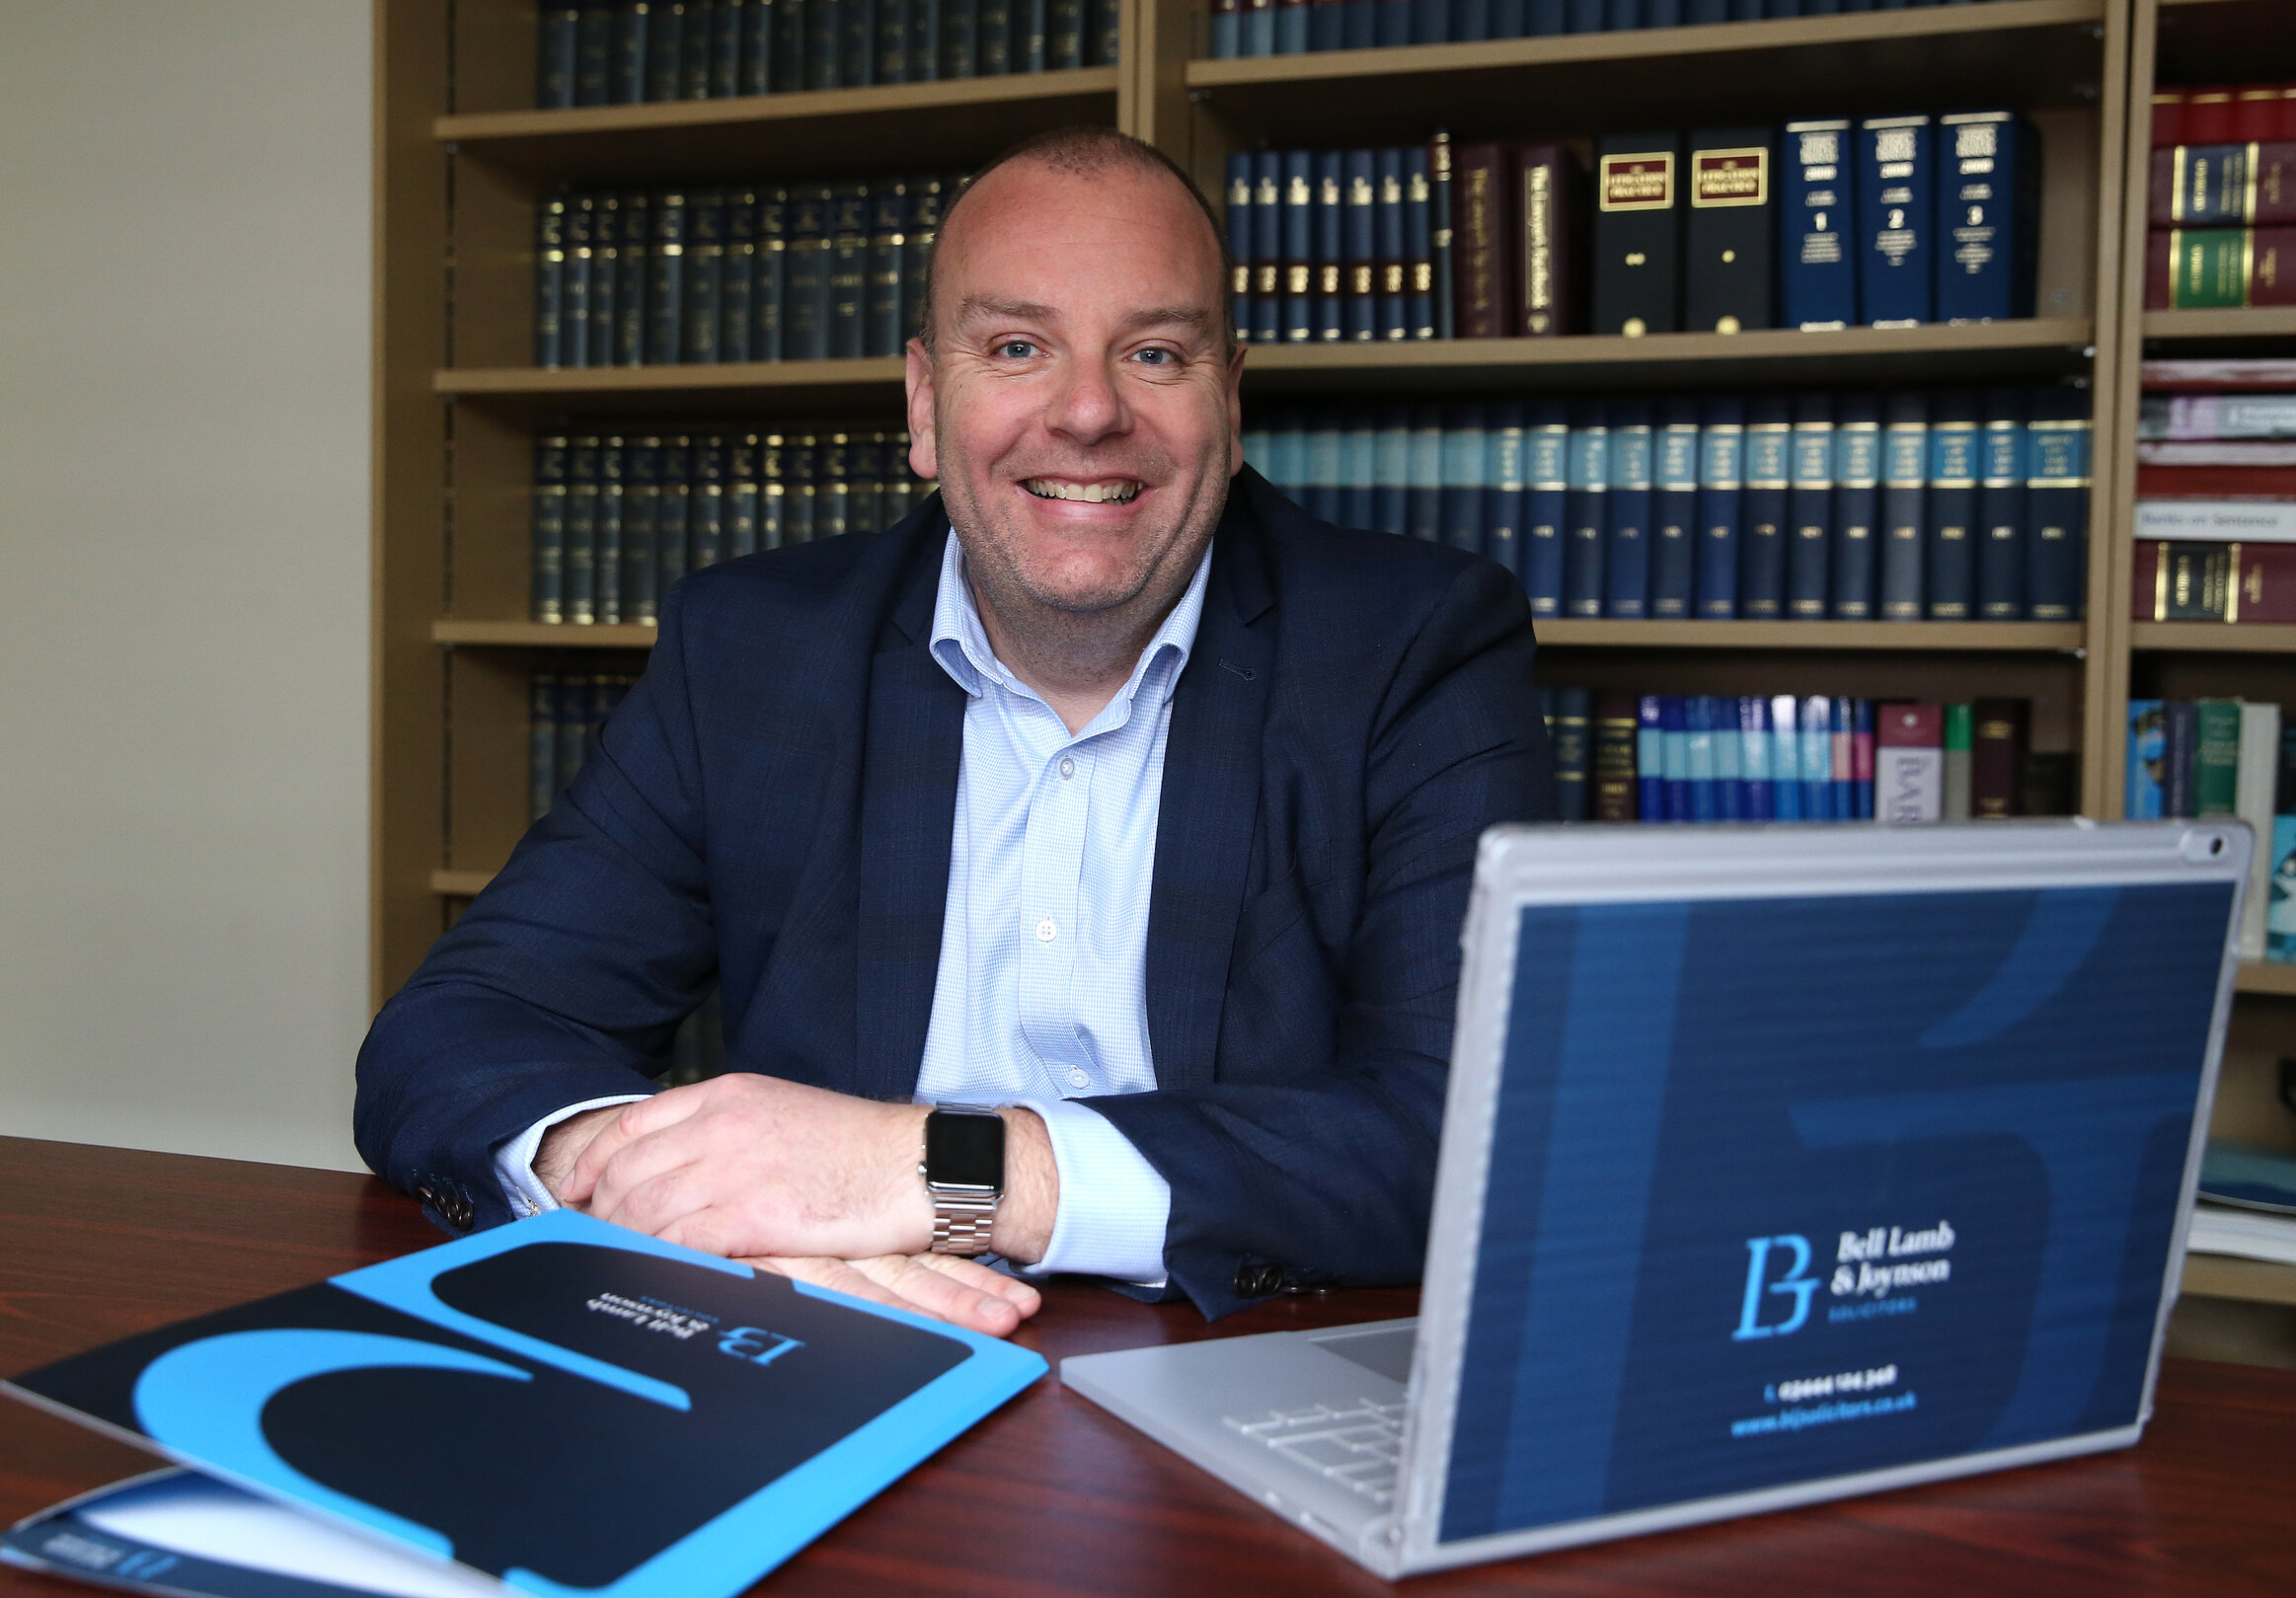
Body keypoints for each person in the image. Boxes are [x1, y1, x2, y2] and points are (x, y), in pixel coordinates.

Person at [353, 125, 1555, 1336]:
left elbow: (1464, 1123)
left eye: (1154, 352)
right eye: (1017, 347)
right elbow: (459, 1028)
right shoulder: (752, 650)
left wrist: (935, 1171)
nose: (1088, 412)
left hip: (1231, 1353)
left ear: (1228, 401)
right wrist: (656, 1177)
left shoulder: (1414, 644)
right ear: (926, 403)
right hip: (833, 1333)